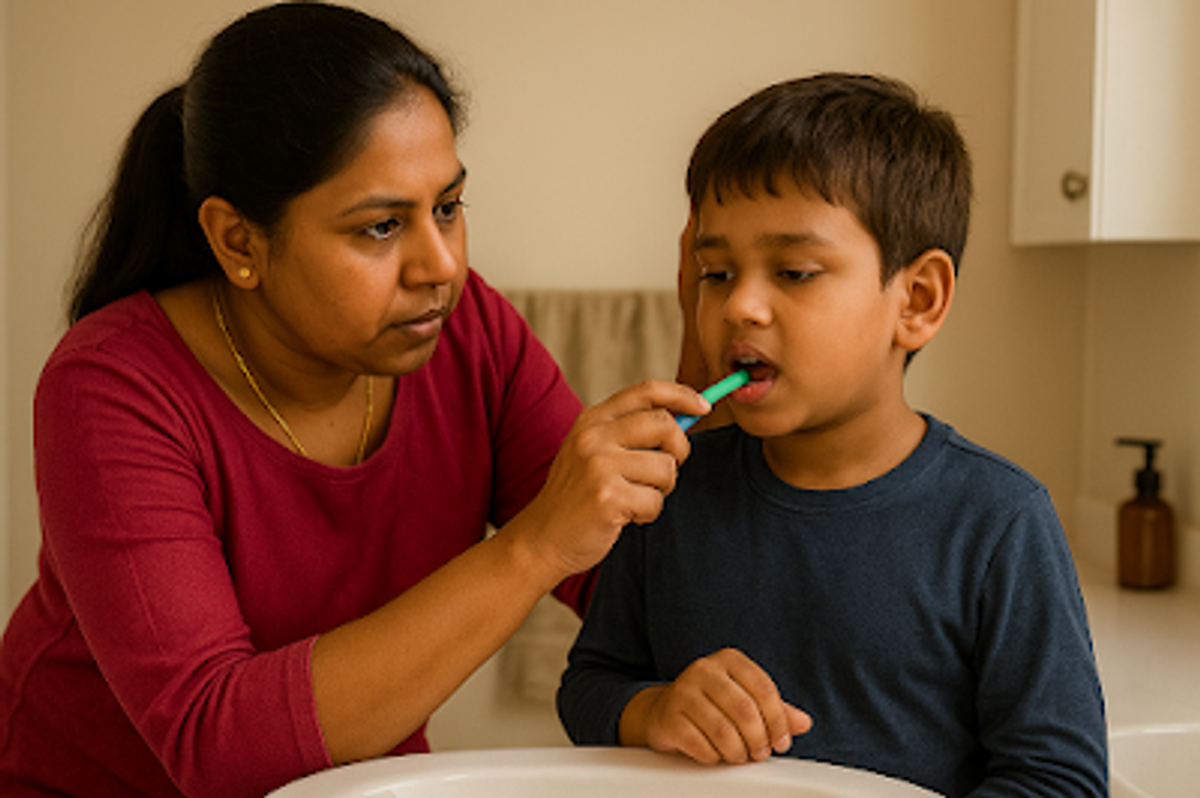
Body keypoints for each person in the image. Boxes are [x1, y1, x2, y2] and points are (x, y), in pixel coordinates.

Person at [0, 3, 709, 796]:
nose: (439, 265)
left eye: (447, 207)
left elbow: (639, 596)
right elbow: (217, 743)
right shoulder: (112, 385)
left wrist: (707, 358)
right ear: (238, 241)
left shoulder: (470, 329)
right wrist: (537, 544)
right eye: (380, 227)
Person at [557, 73, 1108, 797]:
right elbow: (590, 687)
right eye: (716, 273)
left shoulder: (998, 522)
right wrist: (653, 708)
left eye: (793, 271)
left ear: (916, 300)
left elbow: (1059, 780)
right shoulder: (671, 492)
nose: (740, 306)